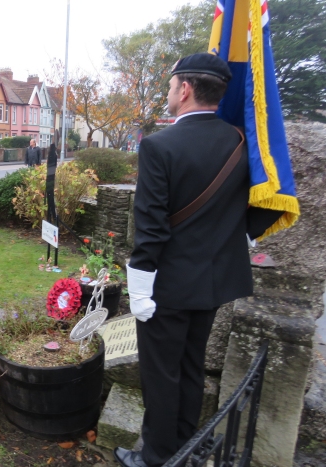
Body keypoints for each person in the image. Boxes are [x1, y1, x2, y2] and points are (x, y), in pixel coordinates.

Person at [115, 54, 282, 467]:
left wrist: (138, 291)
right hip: (213, 283)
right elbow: (268, 205)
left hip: (168, 287)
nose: (169, 93)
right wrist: (232, 237)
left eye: (171, 86)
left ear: (185, 89)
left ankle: (156, 457)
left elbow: (151, 229)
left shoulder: (158, 145)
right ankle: (186, 446)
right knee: (191, 367)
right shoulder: (242, 142)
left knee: (161, 375)